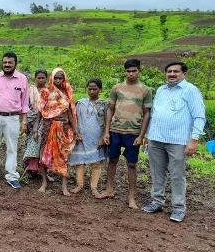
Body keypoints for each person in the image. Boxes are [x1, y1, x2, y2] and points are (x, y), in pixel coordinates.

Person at [142, 61, 205, 222]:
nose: (171, 74)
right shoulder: (161, 90)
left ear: (184, 74)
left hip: (177, 140)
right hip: (156, 139)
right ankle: (157, 202)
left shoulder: (190, 90)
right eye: (169, 71)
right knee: (157, 172)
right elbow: (155, 115)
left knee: (177, 175)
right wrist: (148, 135)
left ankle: (178, 208)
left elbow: (199, 116)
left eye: (175, 71)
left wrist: (194, 140)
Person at [98, 59, 152, 209]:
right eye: (128, 71)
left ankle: (131, 197)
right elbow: (110, 109)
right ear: (124, 72)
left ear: (139, 71)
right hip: (115, 130)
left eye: (134, 71)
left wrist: (141, 135)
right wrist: (106, 131)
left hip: (133, 133)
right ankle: (109, 189)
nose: (131, 74)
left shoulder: (145, 90)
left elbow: (147, 113)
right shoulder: (117, 88)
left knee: (132, 164)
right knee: (112, 160)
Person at [0, 52, 29, 188]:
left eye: (10, 63)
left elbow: (25, 103)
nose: (7, 65)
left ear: (15, 64)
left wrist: (24, 121)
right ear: (2, 63)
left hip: (13, 118)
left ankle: (12, 176)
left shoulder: (22, 79)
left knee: (12, 147)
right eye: (5, 63)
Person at [35, 68, 78, 195]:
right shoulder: (45, 92)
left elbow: (70, 113)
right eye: (56, 78)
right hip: (48, 127)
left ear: (64, 79)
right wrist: (36, 128)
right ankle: (44, 183)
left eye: (61, 78)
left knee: (64, 156)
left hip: (63, 129)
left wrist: (75, 131)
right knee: (43, 155)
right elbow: (40, 112)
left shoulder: (67, 93)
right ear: (52, 78)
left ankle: (64, 186)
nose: (58, 80)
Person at [69, 78, 107, 198]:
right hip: (81, 137)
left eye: (94, 89)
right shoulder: (80, 103)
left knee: (96, 163)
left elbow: (107, 121)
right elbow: (73, 118)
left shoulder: (104, 104)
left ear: (100, 89)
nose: (91, 91)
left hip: (97, 138)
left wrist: (103, 137)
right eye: (89, 89)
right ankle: (79, 185)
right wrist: (76, 133)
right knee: (80, 162)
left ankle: (94, 187)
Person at [23, 69, 48, 175]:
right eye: (39, 78)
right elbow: (24, 105)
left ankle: (40, 169)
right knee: (31, 142)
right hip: (30, 119)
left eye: (43, 78)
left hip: (45, 120)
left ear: (46, 79)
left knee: (43, 145)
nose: (41, 80)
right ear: (35, 78)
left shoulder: (49, 91)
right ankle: (30, 168)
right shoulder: (30, 90)